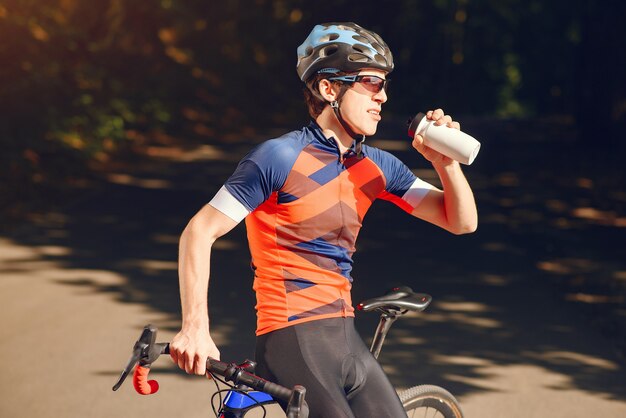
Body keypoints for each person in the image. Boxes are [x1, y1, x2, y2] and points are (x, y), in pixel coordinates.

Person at [169, 22, 477, 417]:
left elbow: (461, 222)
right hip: (291, 337)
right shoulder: (278, 157)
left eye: (383, 85)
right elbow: (199, 231)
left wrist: (445, 164)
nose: (382, 96)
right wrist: (195, 326)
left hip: (345, 337)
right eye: (370, 82)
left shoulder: (377, 166)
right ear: (328, 89)